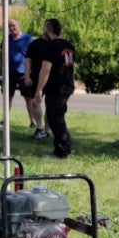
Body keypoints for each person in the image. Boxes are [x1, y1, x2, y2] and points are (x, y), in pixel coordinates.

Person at [33, 18, 76, 159]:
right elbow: (68, 66)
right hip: (66, 85)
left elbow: (46, 69)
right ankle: (67, 145)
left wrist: (39, 89)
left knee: (54, 118)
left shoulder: (50, 47)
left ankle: (62, 150)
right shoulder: (68, 45)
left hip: (56, 87)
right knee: (58, 116)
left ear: (47, 30)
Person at [0, 19, 37, 127]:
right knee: (8, 97)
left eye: (13, 25)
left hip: (24, 74)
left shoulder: (27, 39)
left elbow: (34, 56)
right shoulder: (6, 39)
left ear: (18, 25)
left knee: (28, 98)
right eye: (9, 26)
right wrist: (2, 69)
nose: (12, 28)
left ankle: (33, 121)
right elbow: (1, 55)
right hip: (9, 74)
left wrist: (30, 73)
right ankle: (5, 120)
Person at [22, 32, 49, 139]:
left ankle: (47, 130)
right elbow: (28, 60)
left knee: (50, 105)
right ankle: (39, 128)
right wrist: (27, 76)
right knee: (34, 101)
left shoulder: (57, 43)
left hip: (53, 79)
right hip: (36, 78)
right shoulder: (35, 44)